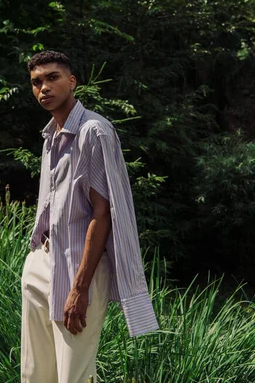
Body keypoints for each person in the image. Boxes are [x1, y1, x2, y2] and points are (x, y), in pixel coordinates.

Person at [21, 50, 159, 383]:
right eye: (37, 82)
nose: (44, 88)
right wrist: (34, 260)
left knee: (74, 376)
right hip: (41, 263)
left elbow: (104, 213)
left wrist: (79, 289)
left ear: (72, 81)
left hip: (79, 270)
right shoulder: (50, 137)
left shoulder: (95, 131)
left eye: (52, 78)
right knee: (34, 374)